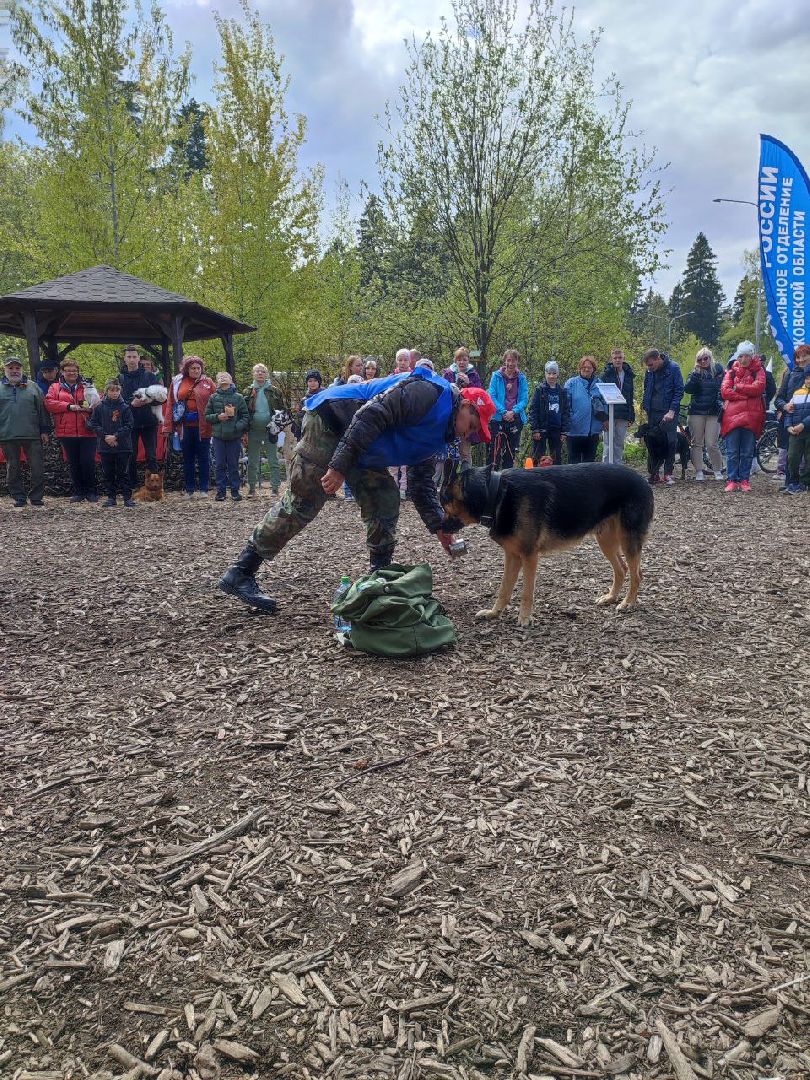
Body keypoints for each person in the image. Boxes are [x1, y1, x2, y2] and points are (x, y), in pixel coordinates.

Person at [218, 370, 496, 613]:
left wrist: (440, 527)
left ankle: (378, 579)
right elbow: (371, 414)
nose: (467, 434)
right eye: (472, 426)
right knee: (304, 501)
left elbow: (420, 483)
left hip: (361, 442)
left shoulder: (441, 433)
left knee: (384, 498)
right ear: (466, 405)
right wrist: (339, 466)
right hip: (332, 422)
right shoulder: (427, 392)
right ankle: (241, 571)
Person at [45, 359, 99, 502]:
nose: (72, 373)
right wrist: (68, 406)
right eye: (68, 370)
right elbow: (49, 403)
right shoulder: (55, 387)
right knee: (74, 463)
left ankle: (91, 491)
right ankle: (79, 491)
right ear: (62, 372)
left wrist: (90, 408)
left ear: (78, 372)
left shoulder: (87, 385)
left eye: (74, 370)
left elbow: (97, 402)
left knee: (88, 462)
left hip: (87, 430)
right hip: (66, 431)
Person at [0, 357, 49, 508]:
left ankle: (36, 497)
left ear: (21, 369)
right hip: (7, 434)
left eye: (17, 368)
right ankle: (19, 497)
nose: (14, 371)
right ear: (5, 370)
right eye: (11, 368)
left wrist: (44, 430)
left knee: (37, 467)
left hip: (32, 433)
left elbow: (42, 410)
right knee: (12, 467)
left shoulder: (33, 387)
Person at [166, 356, 216, 497]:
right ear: (187, 369)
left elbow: (217, 400)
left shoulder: (208, 382)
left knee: (204, 457)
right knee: (188, 458)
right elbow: (170, 403)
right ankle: (189, 489)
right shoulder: (177, 382)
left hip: (203, 426)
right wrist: (167, 426)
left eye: (198, 368)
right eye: (193, 368)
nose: (196, 370)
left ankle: (204, 488)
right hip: (184, 426)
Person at [720, 341, 766, 492]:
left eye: (746, 356)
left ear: (751, 356)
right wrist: (746, 396)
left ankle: (744, 480)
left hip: (752, 417)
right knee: (732, 452)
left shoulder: (759, 370)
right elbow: (724, 391)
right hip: (732, 417)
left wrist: (738, 387)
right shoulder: (731, 372)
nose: (743, 359)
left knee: (747, 452)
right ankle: (732, 479)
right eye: (741, 356)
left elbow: (759, 388)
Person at [118, 345, 166, 488]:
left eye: (134, 357)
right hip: (129, 423)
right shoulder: (120, 378)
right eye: (129, 357)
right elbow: (116, 401)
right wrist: (131, 404)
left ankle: (155, 488)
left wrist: (148, 401)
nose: (132, 359)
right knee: (130, 456)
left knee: (151, 456)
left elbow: (161, 398)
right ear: (125, 359)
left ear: (138, 358)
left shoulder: (149, 376)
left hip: (149, 422)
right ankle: (132, 487)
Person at [87, 378, 135, 507]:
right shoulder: (99, 407)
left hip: (123, 446)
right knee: (108, 473)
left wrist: (116, 436)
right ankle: (111, 497)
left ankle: (127, 497)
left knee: (123, 472)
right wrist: (105, 436)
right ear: (106, 391)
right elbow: (93, 423)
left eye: (117, 390)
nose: (115, 393)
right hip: (105, 446)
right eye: (112, 390)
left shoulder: (125, 407)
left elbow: (129, 425)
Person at [641, 348, 685, 484]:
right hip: (652, 411)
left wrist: (672, 410)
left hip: (668, 411)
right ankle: (654, 473)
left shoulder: (673, 368)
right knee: (652, 442)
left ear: (658, 359)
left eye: (651, 364)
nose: (649, 368)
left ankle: (668, 473)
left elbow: (679, 390)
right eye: (647, 366)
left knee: (670, 442)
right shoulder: (649, 371)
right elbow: (646, 388)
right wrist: (645, 405)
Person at [205, 372, 250, 502]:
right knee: (219, 465)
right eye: (220, 377)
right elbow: (207, 416)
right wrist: (217, 417)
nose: (223, 378)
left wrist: (237, 427)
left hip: (234, 437)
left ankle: (235, 492)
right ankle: (221, 492)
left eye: (226, 376)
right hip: (218, 437)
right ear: (217, 382)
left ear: (231, 381)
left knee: (233, 465)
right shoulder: (213, 397)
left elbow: (245, 416)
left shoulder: (239, 397)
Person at [683, 347, 724, 481]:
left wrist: (721, 403)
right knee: (697, 443)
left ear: (710, 358)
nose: (703, 361)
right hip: (696, 411)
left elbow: (724, 390)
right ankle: (699, 471)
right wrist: (695, 374)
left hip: (713, 412)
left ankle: (717, 469)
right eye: (700, 359)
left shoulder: (719, 372)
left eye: (705, 358)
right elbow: (688, 389)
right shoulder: (694, 373)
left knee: (712, 443)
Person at [243, 363, 282, 498]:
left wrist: (278, 426)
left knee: (273, 460)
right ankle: (252, 488)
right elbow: (243, 412)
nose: (260, 373)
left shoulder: (275, 391)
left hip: (271, 430)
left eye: (263, 371)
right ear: (253, 374)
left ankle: (275, 488)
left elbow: (282, 409)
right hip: (253, 430)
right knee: (252, 461)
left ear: (267, 374)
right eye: (257, 371)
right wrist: (244, 430)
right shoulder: (247, 391)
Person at [774, 345, 810, 482]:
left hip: (807, 423)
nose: (801, 360)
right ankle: (791, 483)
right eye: (798, 357)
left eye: (804, 356)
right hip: (791, 423)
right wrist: (785, 406)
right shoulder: (790, 374)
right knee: (792, 456)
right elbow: (779, 398)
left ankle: (805, 483)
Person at [488, 349, 529, 469]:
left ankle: (508, 477)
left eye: (514, 361)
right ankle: (492, 477)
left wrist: (513, 412)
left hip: (515, 419)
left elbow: (524, 399)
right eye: (508, 360)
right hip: (498, 418)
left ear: (517, 362)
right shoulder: (496, 376)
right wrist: (504, 412)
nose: (511, 363)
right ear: (504, 361)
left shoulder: (521, 378)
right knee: (495, 452)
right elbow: (492, 396)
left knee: (510, 453)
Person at [565, 356, 606, 464]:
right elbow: (565, 405)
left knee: (589, 464)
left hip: (593, 431)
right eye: (583, 367)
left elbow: (605, 403)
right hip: (574, 430)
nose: (586, 369)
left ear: (594, 369)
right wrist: (570, 420)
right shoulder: (571, 383)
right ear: (579, 368)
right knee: (573, 464)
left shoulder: (600, 384)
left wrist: (605, 420)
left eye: (589, 367)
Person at [529, 361, 570, 464]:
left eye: (554, 373)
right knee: (537, 457)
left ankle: (556, 474)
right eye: (549, 373)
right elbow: (533, 410)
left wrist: (564, 431)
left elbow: (565, 411)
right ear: (545, 374)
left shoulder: (562, 391)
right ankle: (535, 474)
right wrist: (535, 429)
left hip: (556, 429)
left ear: (557, 374)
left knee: (556, 458)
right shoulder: (539, 390)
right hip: (541, 428)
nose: (551, 376)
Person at [600, 348, 635, 463]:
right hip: (610, 413)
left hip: (623, 414)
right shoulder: (606, 374)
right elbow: (601, 396)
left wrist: (631, 415)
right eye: (615, 358)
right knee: (608, 443)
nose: (618, 360)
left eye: (620, 358)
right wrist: (604, 417)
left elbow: (630, 396)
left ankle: (618, 468)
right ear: (612, 359)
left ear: (623, 359)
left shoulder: (629, 374)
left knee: (619, 443)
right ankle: (606, 469)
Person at [782, 363, 810, 494]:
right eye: (807, 378)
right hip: (795, 431)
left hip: (806, 430)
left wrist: (803, 424)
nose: (809, 380)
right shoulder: (797, 393)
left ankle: (805, 483)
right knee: (792, 457)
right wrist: (788, 426)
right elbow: (790, 411)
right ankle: (794, 482)